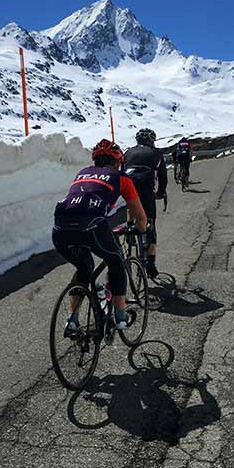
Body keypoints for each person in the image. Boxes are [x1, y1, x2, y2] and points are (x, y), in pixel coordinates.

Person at [52, 139, 148, 332]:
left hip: (60, 229)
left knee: (84, 268)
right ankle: (121, 317)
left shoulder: (82, 173)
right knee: (116, 262)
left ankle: (72, 320)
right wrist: (141, 229)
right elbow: (140, 215)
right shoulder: (121, 178)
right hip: (92, 226)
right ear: (118, 162)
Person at [123, 128, 168, 278]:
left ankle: (129, 227)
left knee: (131, 203)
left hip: (128, 188)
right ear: (151, 141)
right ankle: (150, 262)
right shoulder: (156, 153)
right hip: (146, 191)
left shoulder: (127, 152)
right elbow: (163, 178)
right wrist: (160, 193)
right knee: (150, 225)